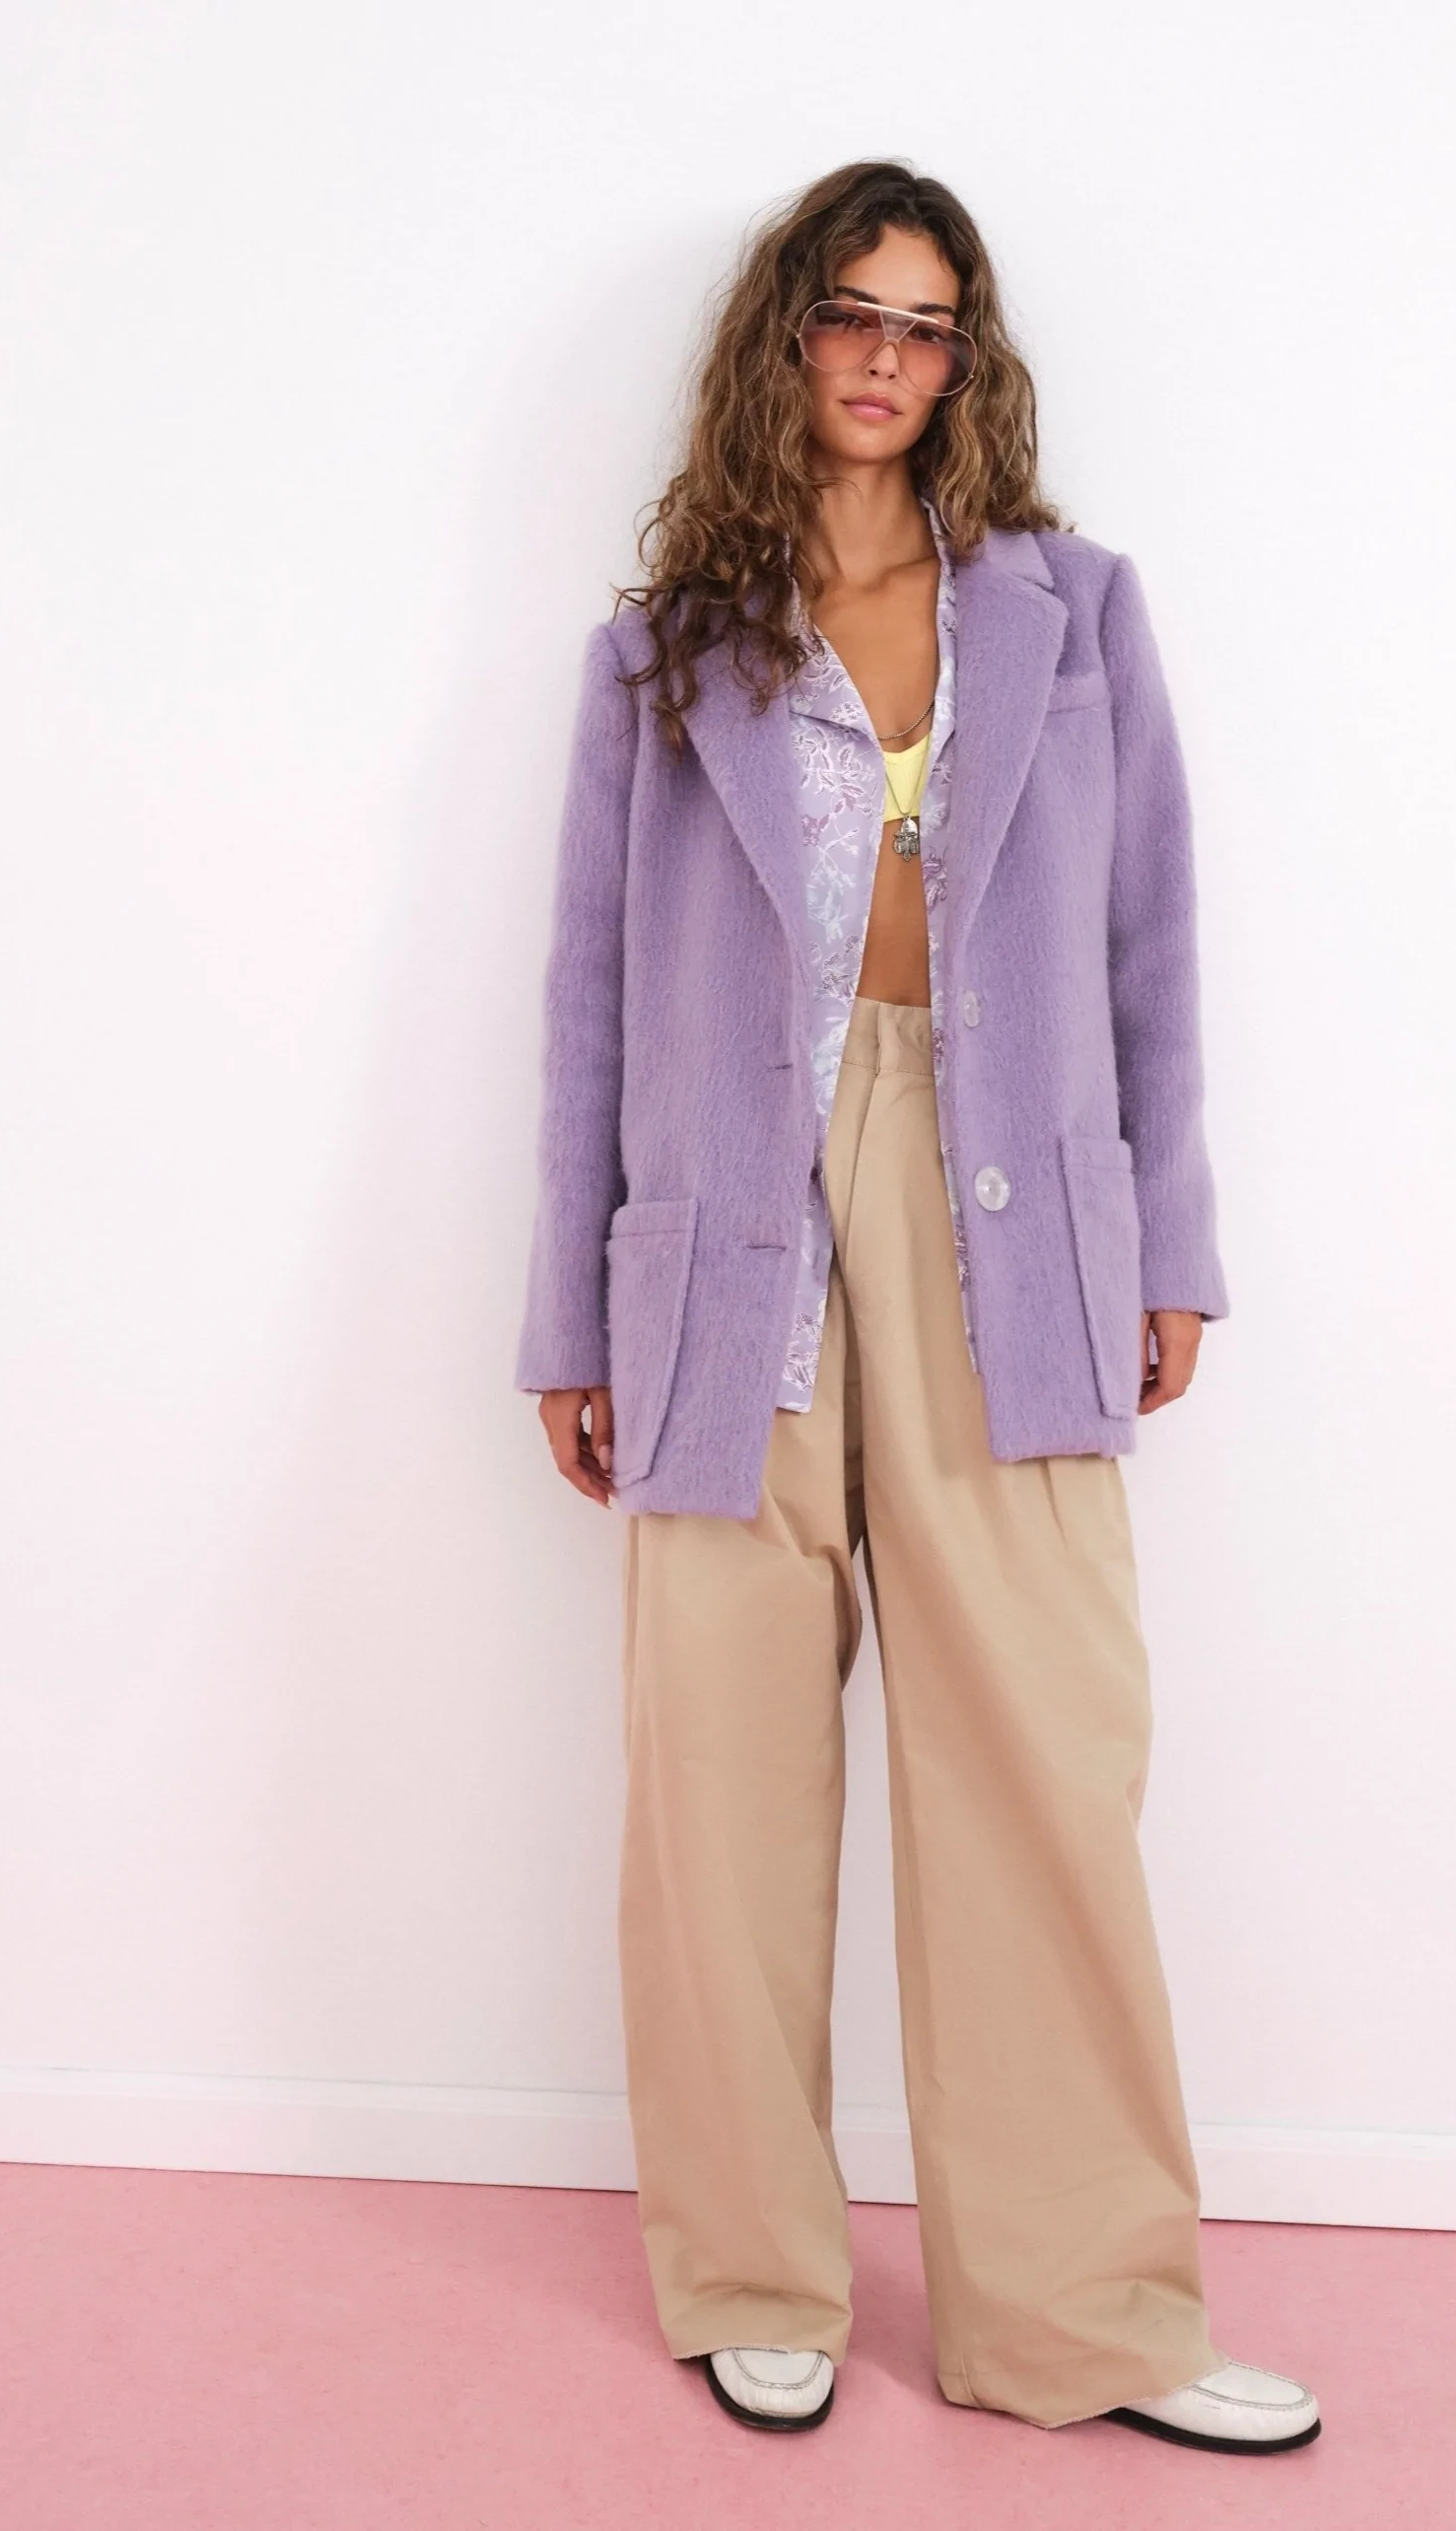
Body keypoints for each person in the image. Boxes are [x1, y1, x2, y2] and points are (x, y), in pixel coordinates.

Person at [515, 159, 1320, 2455]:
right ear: (785, 333)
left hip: (1007, 1200)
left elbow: (1152, 942)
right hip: (726, 1221)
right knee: (720, 1778)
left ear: (966, 360)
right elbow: (588, 1000)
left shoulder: (1071, 612)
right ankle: (751, 2267)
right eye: (851, 313)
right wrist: (568, 1311)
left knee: (1044, 1755)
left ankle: (1087, 2313)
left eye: (927, 323)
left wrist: (1170, 1240)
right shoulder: (666, 648)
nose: (885, 356)